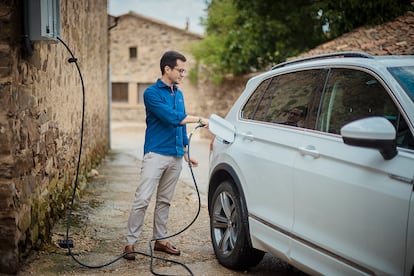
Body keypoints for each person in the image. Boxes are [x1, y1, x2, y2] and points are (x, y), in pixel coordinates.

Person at [123, 51, 209, 260]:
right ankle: (130, 243)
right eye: (180, 70)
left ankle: (160, 240)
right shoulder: (151, 93)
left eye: (183, 70)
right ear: (167, 69)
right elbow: (172, 118)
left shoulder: (178, 94)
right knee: (142, 199)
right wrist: (198, 118)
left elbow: (179, 127)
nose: (183, 74)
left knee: (165, 200)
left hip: (176, 156)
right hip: (156, 154)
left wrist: (186, 151)